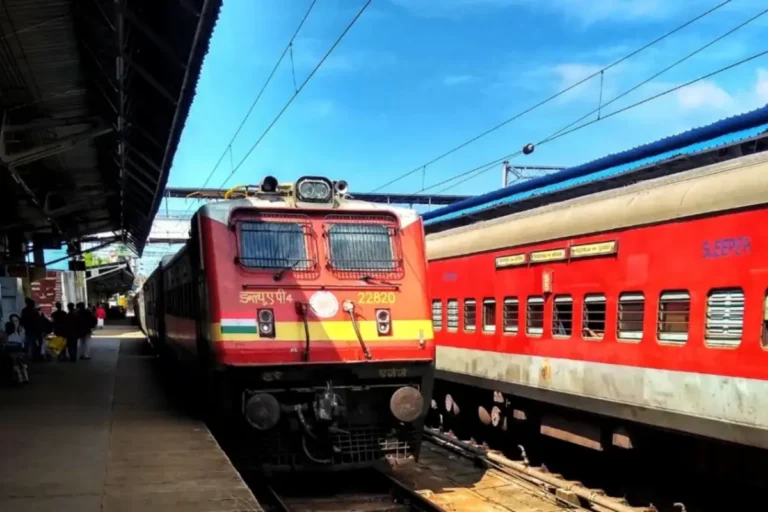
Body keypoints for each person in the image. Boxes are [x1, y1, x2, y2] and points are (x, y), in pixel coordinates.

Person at [2, 314, 29, 383]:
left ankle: (22, 378)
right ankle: (21, 378)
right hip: (13, 353)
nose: (15, 323)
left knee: (18, 360)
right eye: (13, 321)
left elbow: (23, 343)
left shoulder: (22, 330)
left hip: (19, 352)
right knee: (16, 361)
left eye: (16, 321)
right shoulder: (8, 334)